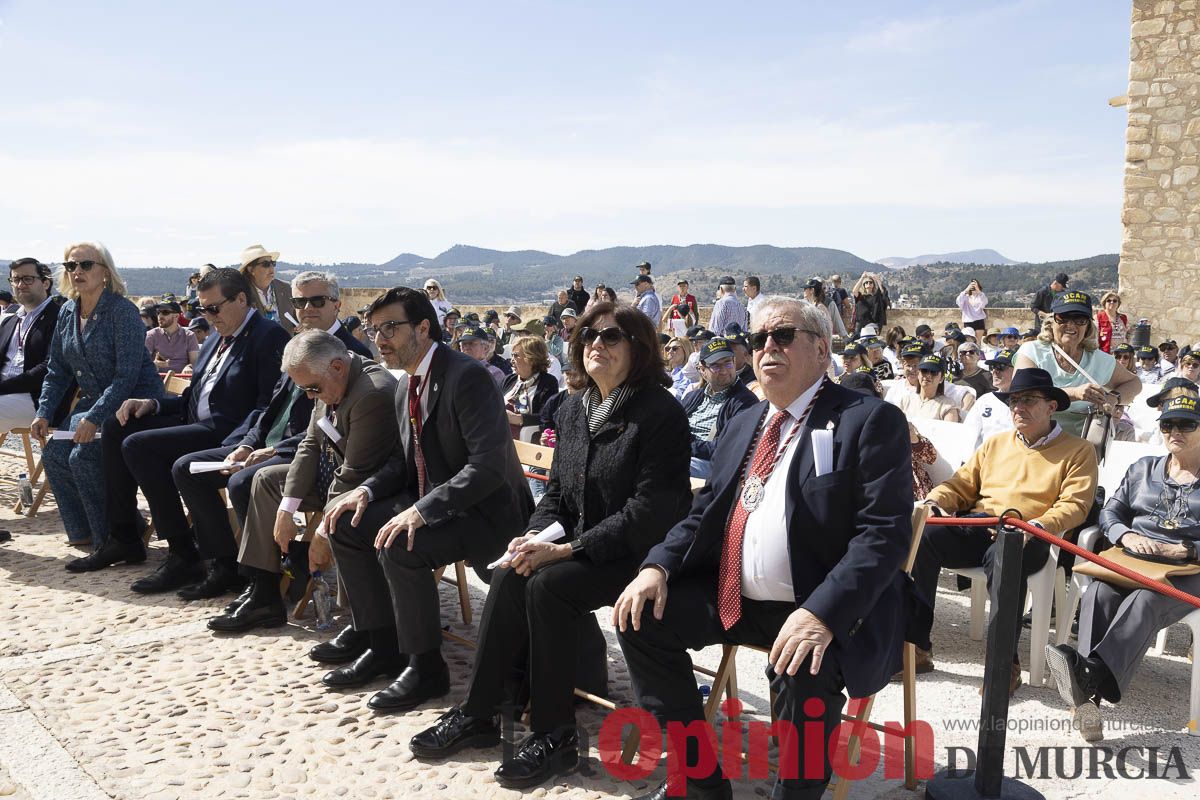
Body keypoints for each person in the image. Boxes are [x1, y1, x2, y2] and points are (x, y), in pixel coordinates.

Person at [611, 295, 916, 800]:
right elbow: (703, 513)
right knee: (640, 618)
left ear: (822, 349)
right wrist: (657, 567)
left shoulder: (868, 420)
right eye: (757, 339)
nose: (766, 347)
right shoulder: (745, 423)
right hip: (737, 597)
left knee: (800, 665)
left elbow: (883, 534)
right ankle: (700, 780)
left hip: (825, 606)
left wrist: (820, 613)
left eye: (782, 336)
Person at [408, 301, 693, 789]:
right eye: (587, 337)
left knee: (549, 586)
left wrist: (567, 550)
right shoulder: (575, 406)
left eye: (610, 337)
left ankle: (554, 734)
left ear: (639, 348)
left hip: (641, 555)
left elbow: (652, 511)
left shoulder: (658, 412)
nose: (595, 345)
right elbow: (558, 493)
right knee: (510, 568)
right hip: (584, 546)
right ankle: (480, 713)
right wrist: (534, 535)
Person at [317, 287, 533, 713]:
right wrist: (366, 490)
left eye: (391, 328)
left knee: (400, 544)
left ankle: (426, 668)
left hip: (485, 513)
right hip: (437, 505)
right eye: (375, 329)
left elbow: (487, 468)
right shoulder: (406, 385)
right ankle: (382, 645)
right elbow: (403, 461)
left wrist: (421, 511)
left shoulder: (466, 376)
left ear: (423, 327)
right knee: (346, 523)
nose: (380, 339)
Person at [69, 268, 290, 585]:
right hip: (195, 422)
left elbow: (269, 404)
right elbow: (194, 396)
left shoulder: (267, 336)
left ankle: (183, 553)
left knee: (139, 447)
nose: (209, 316)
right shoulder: (216, 337)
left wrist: (244, 442)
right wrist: (152, 404)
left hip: (228, 433)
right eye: (203, 309)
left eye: (214, 308)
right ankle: (124, 536)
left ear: (241, 299)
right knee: (118, 425)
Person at [169, 272, 370, 600]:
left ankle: (268, 576)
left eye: (316, 301)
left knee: (244, 481)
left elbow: (329, 429)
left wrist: (273, 449)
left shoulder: (351, 355)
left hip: (309, 454)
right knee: (187, 470)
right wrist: (247, 443)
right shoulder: (298, 343)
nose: (307, 308)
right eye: (299, 302)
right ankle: (224, 565)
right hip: (268, 444)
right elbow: (270, 406)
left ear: (337, 304)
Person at [912, 368, 1098, 693]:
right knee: (923, 536)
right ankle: (916, 646)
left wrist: (1037, 525)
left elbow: (1076, 505)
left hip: (1032, 533)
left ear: (1051, 406)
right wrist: (934, 501)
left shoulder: (1078, 451)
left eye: (1027, 400)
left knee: (1005, 557)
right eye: (1013, 401)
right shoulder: (996, 443)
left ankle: (1004, 664)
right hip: (984, 523)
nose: (1018, 408)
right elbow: (962, 483)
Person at [207, 331, 399, 632]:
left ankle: (364, 622)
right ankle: (265, 593)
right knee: (265, 479)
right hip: (335, 472)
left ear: (337, 367)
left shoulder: (371, 393)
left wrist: (321, 534)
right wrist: (287, 509)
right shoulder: (332, 379)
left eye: (313, 388)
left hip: (370, 485)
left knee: (334, 513)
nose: (310, 396)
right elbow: (311, 443)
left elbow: (353, 474)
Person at [1045, 387, 1200, 743]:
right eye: (1168, 425)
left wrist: (1187, 551)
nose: (1175, 432)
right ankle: (1089, 702)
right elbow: (1111, 512)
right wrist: (1125, 536)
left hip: (1188, 572)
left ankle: (1085, 680)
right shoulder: (1144, 468)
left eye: (1187, 425)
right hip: (1132, 558)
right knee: (1099, 593)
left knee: (1145, 600)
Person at [33, 242, 165, 550]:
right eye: (70, 266)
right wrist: (43, 411)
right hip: (96, 403)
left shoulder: (122, 311)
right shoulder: (67, 311)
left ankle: (112, 538)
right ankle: (85, 531)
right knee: (53, 453)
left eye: (85, 265)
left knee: (84, 455)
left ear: (105, 271)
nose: (77, 271)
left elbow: (126, 376)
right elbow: (57, 370)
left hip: (136, 404)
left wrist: (93, 417)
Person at [1015, 291, 1141, 437]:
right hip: (1037, 438)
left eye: (1079, 320)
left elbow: (1134, 382)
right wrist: (1074, 393)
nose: (1070, 325)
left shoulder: (1097, 359)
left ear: (1087, 326)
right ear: (1052, 321)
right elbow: (1023, 394)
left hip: (1083, 444)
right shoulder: (1032, 351)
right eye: (1063, 318)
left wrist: (1113, 398)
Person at [0, 258, 67, 434]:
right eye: (15, 279)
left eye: (27, 279)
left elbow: (50, 367)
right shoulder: (10, 322)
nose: (20, 284)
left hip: (37, 400)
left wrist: (3, 387)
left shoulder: (60, 318)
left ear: (45, 283)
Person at [681, 338, 758, 479]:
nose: (723, 371)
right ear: (702, 370)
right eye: (716, 366)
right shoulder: (693, 397)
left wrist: (685, 446)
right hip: (683, 453)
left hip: (711, 464)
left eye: (728, 363)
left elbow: (727, 446)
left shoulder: (745, 402)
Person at [502, 336, 559, 440]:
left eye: (516, 356)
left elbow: (547, 417)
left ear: (531, 359)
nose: (512, 360)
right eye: (512, 355)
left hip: (527, 439)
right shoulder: (509, 379)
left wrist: (518, 419)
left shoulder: (548, 383)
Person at [962, 348, 1017, 449]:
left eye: (1001, 367)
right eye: (992, 367)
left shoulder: (1028, 402)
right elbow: (968, 435)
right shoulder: (985, 400)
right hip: (986, 460)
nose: (994, 371)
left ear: (1017, 370)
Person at [239, 244, 296, 333]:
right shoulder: (242, 294)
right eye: (266, 264)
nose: (271, 267)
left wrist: (299, 324)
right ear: (251, 270)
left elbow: (297, 316)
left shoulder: (285, 288)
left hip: (286, 344)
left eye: (273, 263)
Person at [898, 354, 961, 422]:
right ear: (918, 374)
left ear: (941, 378)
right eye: (924, 370)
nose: (928, 375)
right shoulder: (906, 400)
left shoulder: (948, 406)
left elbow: (950, 431)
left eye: (934, 372)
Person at [145, 301, 199, 373]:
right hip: (158, 381)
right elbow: (143, 363)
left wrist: (189, 367)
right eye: (158, 312)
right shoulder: (151, 335)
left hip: (182, 380)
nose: (160, 316)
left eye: (165, 312)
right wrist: (154, 365)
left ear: (176, 316)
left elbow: (195, 363)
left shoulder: (189, 336)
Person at [851, 272, 887, 337]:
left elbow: (883, 292)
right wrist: (862, 278)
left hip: (874, 324)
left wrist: (877, 279)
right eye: (866, 283)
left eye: (870, 282)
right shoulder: (860, 297)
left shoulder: (877, 297)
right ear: (864, 285)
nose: (868, 284)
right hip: (861, 324)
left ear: (873, 284)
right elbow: (854, 291)